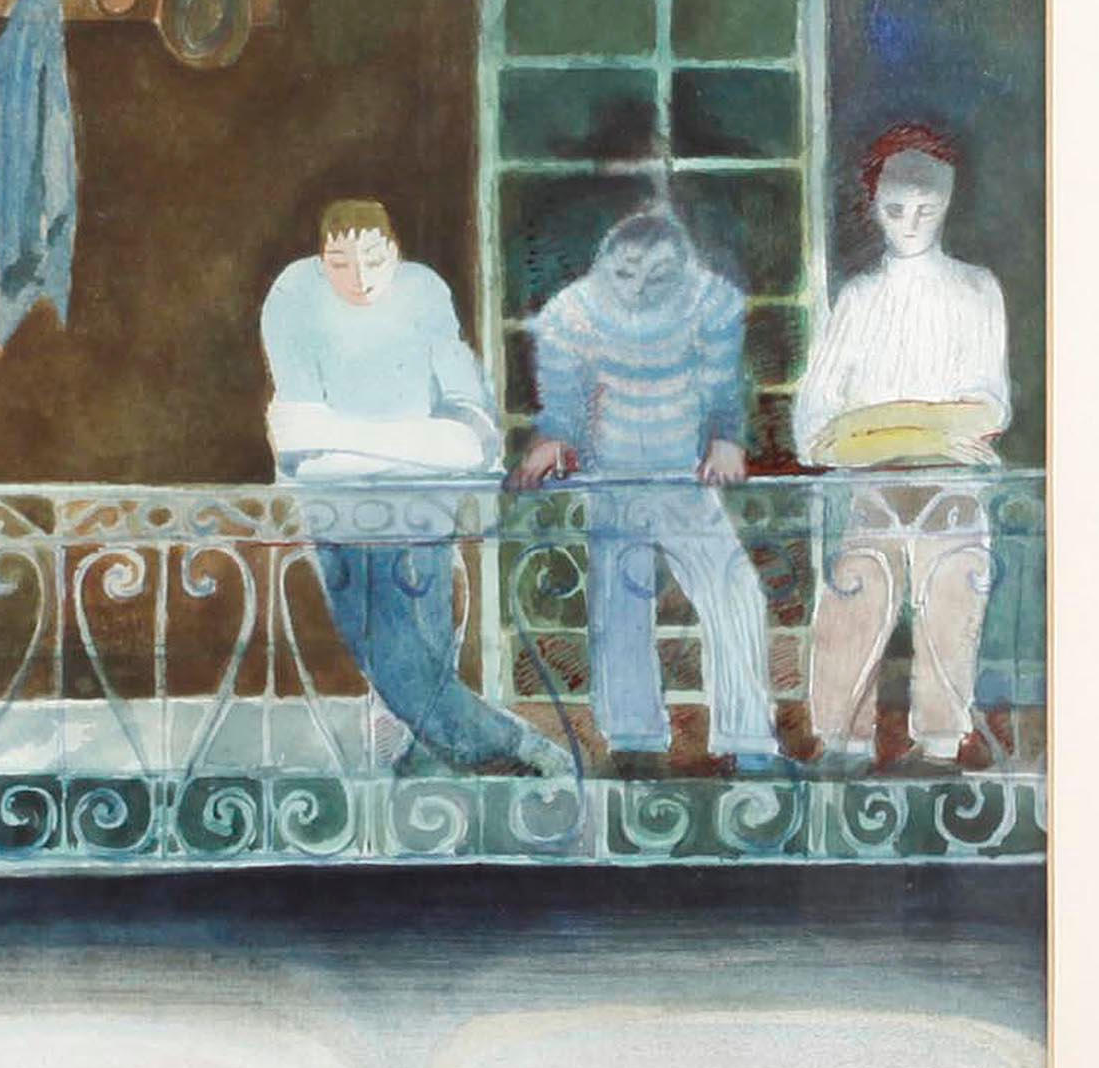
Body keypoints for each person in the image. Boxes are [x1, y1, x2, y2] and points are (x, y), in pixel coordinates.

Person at [259, 199, 564, 780]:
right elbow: (300, 444)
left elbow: (472, 434)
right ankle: (512, 747)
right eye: (340, 263)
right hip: (338, 507)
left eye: (374, 260)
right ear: (321, 259)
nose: (359, 279)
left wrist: (343, 436)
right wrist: (420, 440)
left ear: (395, 251)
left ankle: (442, 761)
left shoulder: (423, 293)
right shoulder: (295, 295)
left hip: (422, 505)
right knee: (391, 656)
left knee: (415, 653)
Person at [514, 207, 784, 777]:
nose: (637, 288)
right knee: (618, 602)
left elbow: (722, 386)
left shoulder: (711, 302)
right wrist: (554, 440)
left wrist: (726, 439)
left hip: (684, 476)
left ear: (683, 270)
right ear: (603, 265)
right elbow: (562, 403)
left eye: (657, 276)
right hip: (611, 476)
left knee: (734, 588)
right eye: (624, 274)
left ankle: (749, 738)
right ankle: (632, 739)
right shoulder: (569, 314)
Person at [790, 125, 1012, 774]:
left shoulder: (976, 290)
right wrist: (934, 428)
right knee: (853, 607)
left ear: (948, 203)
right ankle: (842, 745)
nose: (909, 224)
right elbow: (815, 429)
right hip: (871, 489)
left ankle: (940, 748)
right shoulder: (859, 300)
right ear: (873, 206)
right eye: (894, 210)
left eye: (925, 209)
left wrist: (873, 426)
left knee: (952, 607)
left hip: (952, 489)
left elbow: (989, 407)